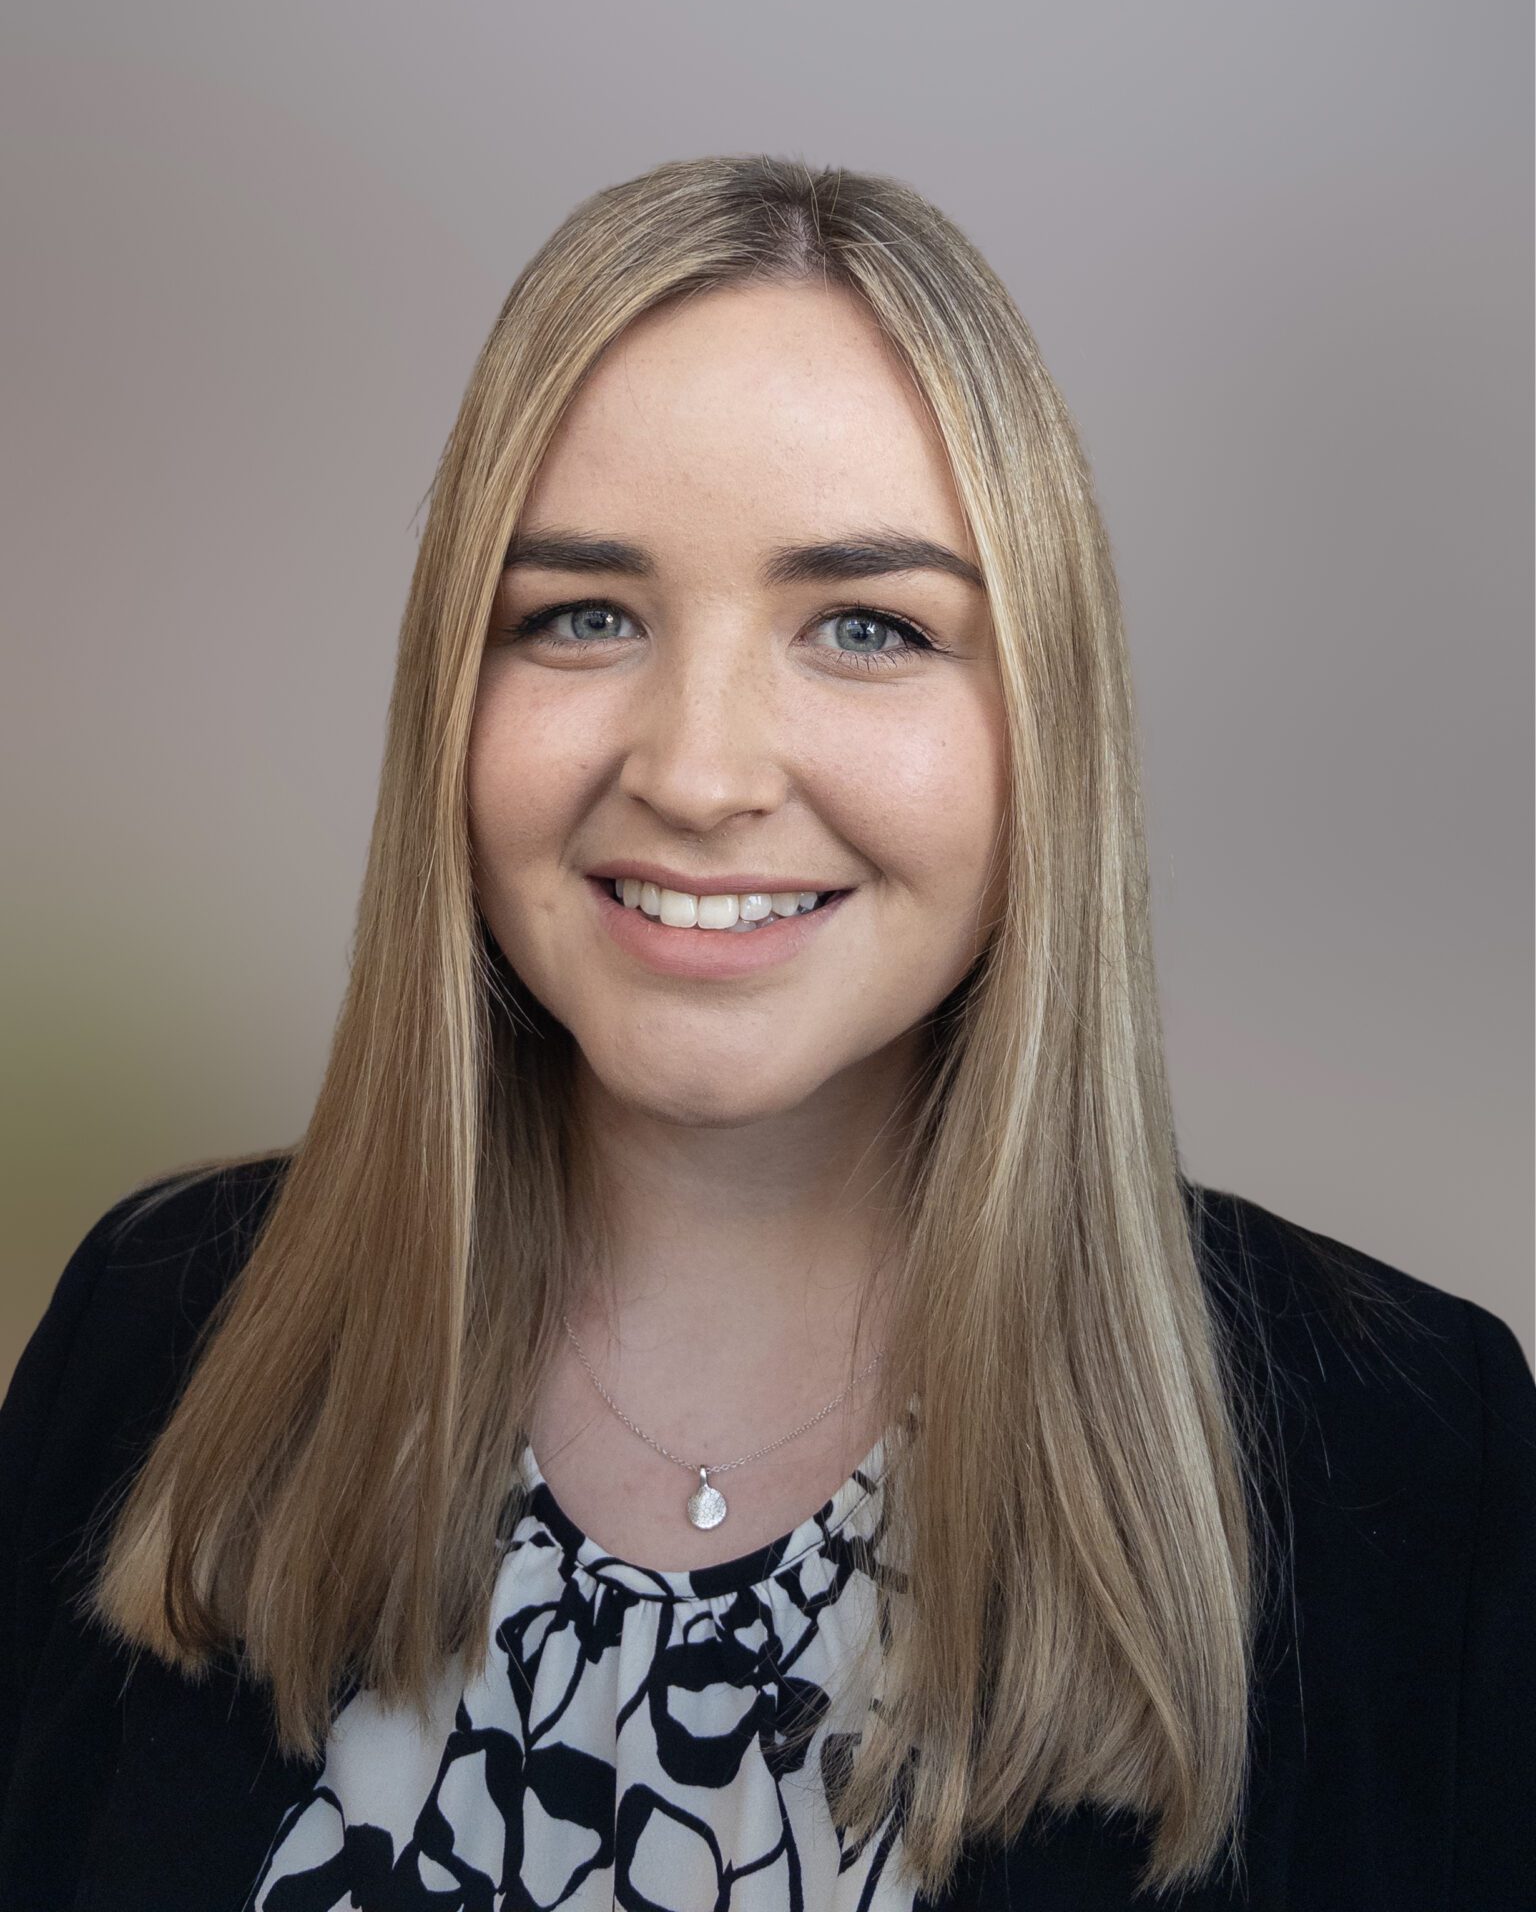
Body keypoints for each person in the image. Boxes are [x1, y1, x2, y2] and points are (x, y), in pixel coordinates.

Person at [1, 153, 1531, 1912]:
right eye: (582, 615)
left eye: (867, 626)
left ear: (1045, 732)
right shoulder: (158, 1330)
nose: (701, 772)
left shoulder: (1414, 1464)